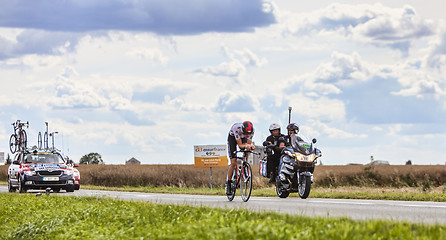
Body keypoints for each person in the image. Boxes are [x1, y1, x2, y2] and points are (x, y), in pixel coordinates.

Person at [226, 121, 255, 195]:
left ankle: (245, 165)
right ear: (243, 130)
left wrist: (250, 146)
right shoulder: (236, 129)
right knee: (233, 162)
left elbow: (248, 143)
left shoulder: (252, 131)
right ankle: (229, 183)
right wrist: (246, 145)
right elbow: (240, 145)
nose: (247, 135)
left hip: (242, 138)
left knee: (248, 149)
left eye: (249, 134)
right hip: (233, 138)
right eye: (246, 134)